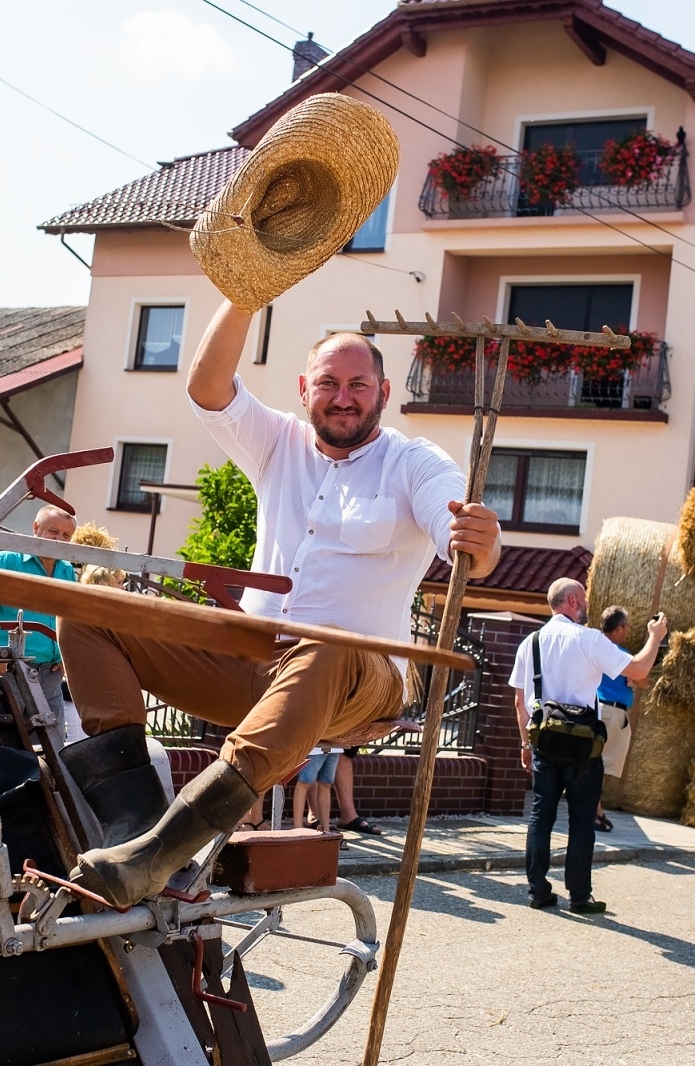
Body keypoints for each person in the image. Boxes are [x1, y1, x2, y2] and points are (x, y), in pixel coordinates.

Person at [56, 300, 501, 909]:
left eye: (358, 385)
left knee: (328, 644)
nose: (343, 397)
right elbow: (207, 387)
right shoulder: (276, 445)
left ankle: (165, 851)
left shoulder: (415, 463)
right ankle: (134, 831)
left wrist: (479, 542)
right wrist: (244, 294)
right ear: (303, 390)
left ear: (384, 392)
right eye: (328, 383)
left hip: (362, 685)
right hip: (258, 666)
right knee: (87, 606)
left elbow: (461, 539)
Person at [508, 578, 665, 914]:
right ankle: (579, 895)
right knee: (581, 821)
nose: (588, 606)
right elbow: (638, 670)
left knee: (540, 816)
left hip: (543, 742)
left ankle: (538, 891)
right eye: (586, 599)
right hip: (582, 747)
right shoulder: (590, 640)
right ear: (574, 600)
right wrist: (655, 637)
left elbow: (519, 703)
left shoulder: (530, 643)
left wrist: (524, 744)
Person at [0, 504, 79, 714]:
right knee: (4, 741)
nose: (60, 540)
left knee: (52, 745)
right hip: (10, 670)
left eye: (66, 535)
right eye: (53, 532)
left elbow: (69, 619)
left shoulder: (66, 569)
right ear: (36, 528)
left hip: (51, 675)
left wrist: (65, 661)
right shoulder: (8, 561)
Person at [593, 605, 637, 833]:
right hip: (610, 712)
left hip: (609, 712)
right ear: (619, 628)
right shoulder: (616, 653)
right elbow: (644, 674)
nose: (628, 630)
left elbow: (641, 679)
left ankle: (596, 810)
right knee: (598, 766)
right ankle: (594, 811)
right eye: (627, 626)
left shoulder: (597, 648)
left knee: (599, 765)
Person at [291, 745, 340, 837]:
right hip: (315, 747)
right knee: (304, 782)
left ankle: (326, 830)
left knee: (326, 784)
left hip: (335, 746)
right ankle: (297, 828)